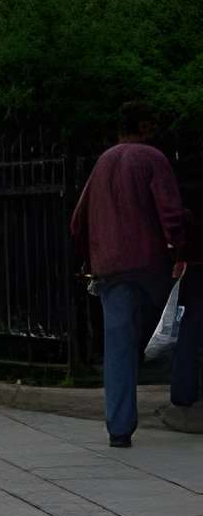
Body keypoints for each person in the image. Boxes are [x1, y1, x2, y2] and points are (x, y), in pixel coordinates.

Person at [70, 104, 188, 446]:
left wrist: (91, 255)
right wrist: (179, 251)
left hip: (109, 266)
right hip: (150, 263)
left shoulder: (103, 163)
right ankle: (182, 392)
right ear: (146, 126)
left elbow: (77, 222)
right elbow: (170, 213)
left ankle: (119, 429)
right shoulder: (153, 159)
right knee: (164, 331)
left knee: (118, 345)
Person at [161, 201, 203, 433]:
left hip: (193, 259)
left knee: (188, 327)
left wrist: (178, 254)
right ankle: (185, 390)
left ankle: (183, 392)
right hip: (193, 257)